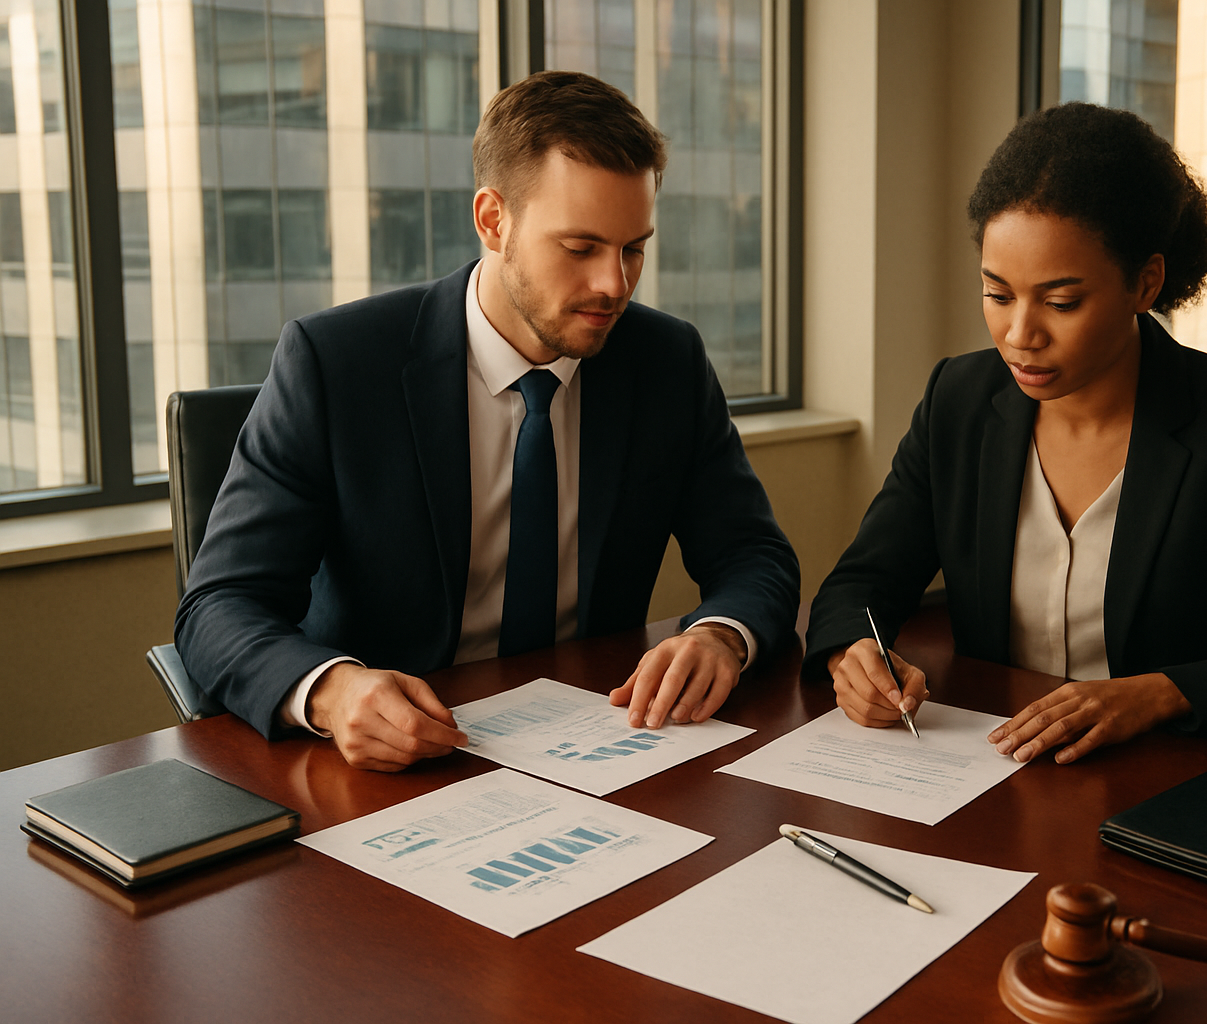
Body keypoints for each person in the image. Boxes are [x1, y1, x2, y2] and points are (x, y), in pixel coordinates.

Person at [176, 71, 799, 772]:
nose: (614, 285)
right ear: (493, 220)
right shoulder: (336, 364)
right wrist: (330, 692)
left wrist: (721, 634)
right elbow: (219, 607)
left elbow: (754, 556)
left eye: (634, 248)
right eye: (581, 248)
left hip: (598, 742)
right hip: (397, 761)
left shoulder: (665, 361)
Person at [805, 102, 1207, 765]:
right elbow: (859, 587)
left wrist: (1159, 693)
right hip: (995, 770)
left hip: (1172, 783)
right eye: (998, 295)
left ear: (1145, 283)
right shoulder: (957, 402)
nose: (1020, 336)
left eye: (1061, 303)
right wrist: (852, 654)